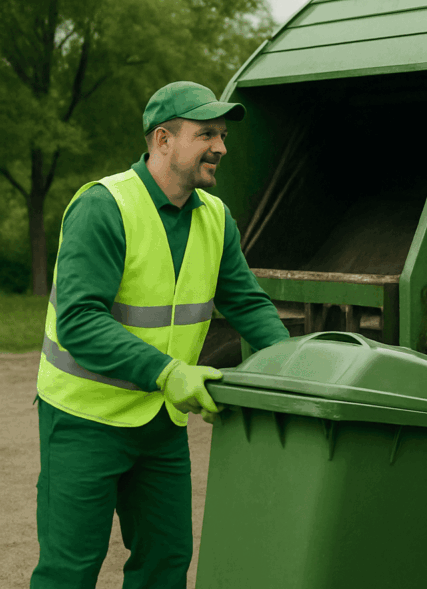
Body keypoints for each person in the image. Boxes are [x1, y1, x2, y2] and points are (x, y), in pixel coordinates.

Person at [32, 81, 291, 589]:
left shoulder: (216, 217)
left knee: (165, 564)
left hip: (160, 425)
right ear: (163, 140)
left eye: (221, 135)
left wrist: (298, 364)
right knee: (69, 570)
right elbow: (80, 321)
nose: (220, 146)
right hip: (86, 419)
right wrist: (168, 372)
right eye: (206, 134)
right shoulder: (103, 207)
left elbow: (247, 303)